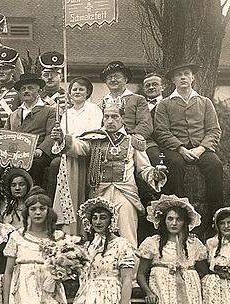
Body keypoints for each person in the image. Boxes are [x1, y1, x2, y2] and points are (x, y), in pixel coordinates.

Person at [52, 102, 167, 247]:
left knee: (128, 237)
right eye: (107, 117)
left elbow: (144, 169)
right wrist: (63, 138)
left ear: (122, 118)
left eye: (114, 116)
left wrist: (155, 174)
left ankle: (130, 268)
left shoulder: (133, 140)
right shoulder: (94, 138)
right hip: (100, 193)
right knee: (99, 237)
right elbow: (79, 147)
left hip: (126, 194)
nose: (110, 120)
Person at [154, 63, 223, 224]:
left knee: (215, 165)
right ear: (173, 80)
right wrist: (181, 148)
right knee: (175, 164)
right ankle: (179, 214)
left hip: (201, 148)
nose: (183, 77)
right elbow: (161, 131)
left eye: (187, 74)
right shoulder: (164, 104)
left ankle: (217, 215)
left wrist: (201, 148)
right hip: (176, 149)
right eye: (179, 75)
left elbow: (214, 130)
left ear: (193, 78)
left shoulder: (205, 102)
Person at [52, 76, 103, 235]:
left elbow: (93, 133)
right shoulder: (67, 113)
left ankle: (81, 230)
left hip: (87, 151)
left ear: (87, 92)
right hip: (69, 152)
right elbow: (63, 135)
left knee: (80, 191)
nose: (77, 92)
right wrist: (60, 138)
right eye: (74, 89)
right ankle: (67, 227)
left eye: (81, 89)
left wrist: (70, 140)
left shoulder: (93, 109)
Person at [4, 73, 56, 190]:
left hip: (38, 155)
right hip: (16, 155)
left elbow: (51, 135)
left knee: (36, 165)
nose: (26, 91)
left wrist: (40, 150)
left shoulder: (49, 111)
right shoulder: (14, 114)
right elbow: (6, 135)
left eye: (30, 88)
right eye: (23, 89)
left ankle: (35, 196)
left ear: (39, 91)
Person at [100, 61, 153, 154]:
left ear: (125, 79)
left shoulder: (138, 99)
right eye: (109, 77)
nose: (113, 80)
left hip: (133, 140)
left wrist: (130, 139)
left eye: (117, 76)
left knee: (153, 155)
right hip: (107, 141)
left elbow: (145, 124)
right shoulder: (101, 103)